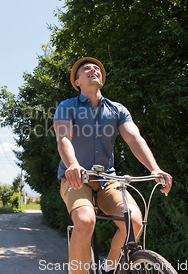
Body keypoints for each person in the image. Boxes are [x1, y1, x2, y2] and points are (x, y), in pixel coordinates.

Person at [53, 57, 173, 274]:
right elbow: (63, 138)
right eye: (86, 69)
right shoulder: (67, 106)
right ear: (77, 81)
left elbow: (134, 139)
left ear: (102, 79)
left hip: (108, 179)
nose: (93, 70)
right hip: (77, 178)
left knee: (134, 222)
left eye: (96, 68)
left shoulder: (117, 110)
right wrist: (72, 165)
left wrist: (154, 169)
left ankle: (109, 269)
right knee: (85, 220)